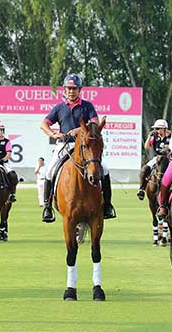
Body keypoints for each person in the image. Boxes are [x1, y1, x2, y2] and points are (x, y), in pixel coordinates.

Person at [39, 74, 116, 223]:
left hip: (84, 146)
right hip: (64, 146)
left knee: (104, 169)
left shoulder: (88, 106)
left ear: (79, 90)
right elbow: (44, 124)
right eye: (68, 88)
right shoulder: (59, 108)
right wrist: (53, 134)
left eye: (74, 88)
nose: (71, 91)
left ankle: (107, 205)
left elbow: (94, 125)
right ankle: (47, 207)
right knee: (50, 171)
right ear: (65, 89)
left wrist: (79, 130)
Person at [137, 119, 171, 200]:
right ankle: (142, 189)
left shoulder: (171, 137)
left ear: (164, 129)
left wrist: (168, 147)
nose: (157, 130)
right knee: (144, 170)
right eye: (156, 129)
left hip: (170, 158)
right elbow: (146, 147)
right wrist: (149, 136)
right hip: (158, 158)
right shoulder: (154, 137)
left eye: (158, 128)